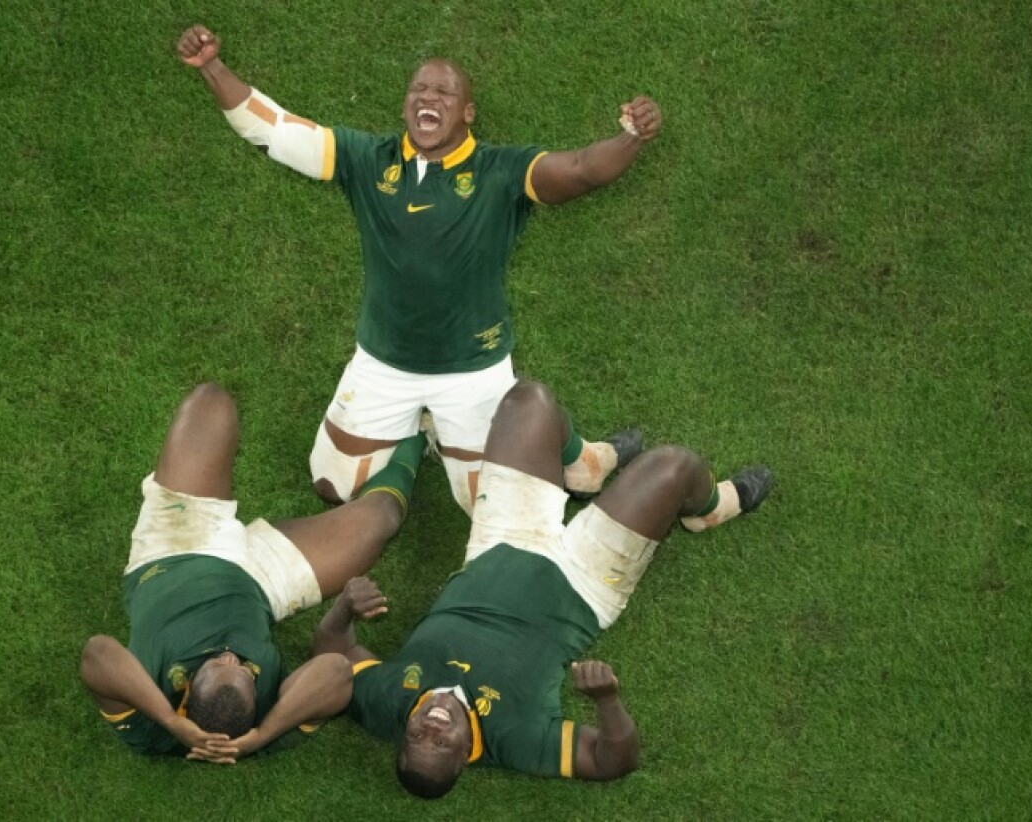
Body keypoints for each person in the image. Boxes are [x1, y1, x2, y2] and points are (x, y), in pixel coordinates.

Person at [177, 25, 661, 514]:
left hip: (472, 370)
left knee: (490, 510)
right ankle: (415, 436)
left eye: (445, 91)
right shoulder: (368, 160)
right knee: (331, 485)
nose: (428, 97)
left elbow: (579, 170)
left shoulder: (502, 171)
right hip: (384, 363)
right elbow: (273, 129)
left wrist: (631, 138)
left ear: (468, 112)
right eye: (419, 90)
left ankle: (586, 460)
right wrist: (212, 67)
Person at [313, 380, 773, 797]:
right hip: (584, 580)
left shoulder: (389, 701)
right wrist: (607, 702)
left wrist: (345, 610)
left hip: (499, 543)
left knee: (528, 401)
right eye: (441, 741)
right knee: (674, 466)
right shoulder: (516, 740)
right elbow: (613, 761)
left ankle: (588, 468)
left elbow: (331, 651)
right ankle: (711, 508)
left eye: (417, 736)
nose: (431, 725)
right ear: (466, 755)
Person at [79, 382, 426, 763]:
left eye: (216, 666)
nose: (231, 656)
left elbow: (97, 653)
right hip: (261, 582)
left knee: (212, 403)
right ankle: (419, 433)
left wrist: (168, 720)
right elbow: (337, 672)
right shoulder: (267, 722)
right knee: (379, 520)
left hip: (174, 547)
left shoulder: (151, 728)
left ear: (189, 693)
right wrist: (264, 734)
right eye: (246, 671)